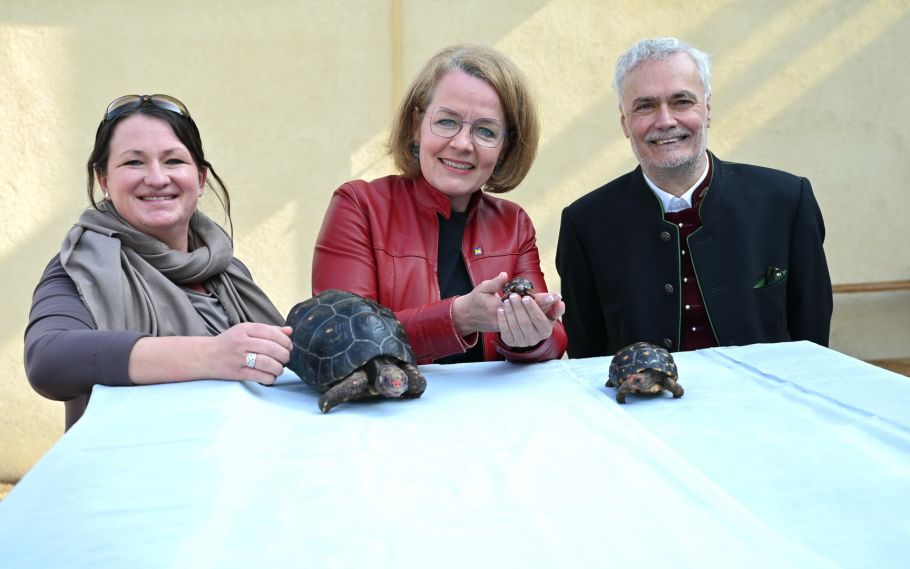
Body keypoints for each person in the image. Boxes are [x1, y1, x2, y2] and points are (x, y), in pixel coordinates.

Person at [24, 94, 293, 429]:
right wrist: (210, 355)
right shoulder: (83, 267)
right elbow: (48, 359)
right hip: (143, 457)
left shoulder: (227, 271)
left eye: (173, 161)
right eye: (134, 163)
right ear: (104, 181)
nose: (156, 178)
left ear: (200, 179)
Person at [556, 37, 833, 358]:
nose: (665, 121)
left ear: (708, 109)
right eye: (645, 106)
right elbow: (587, 356)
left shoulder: (786, 201)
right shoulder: (585, 224)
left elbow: (812, 341)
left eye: (682, 101)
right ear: (624, 122)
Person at [312, 45, 567, 364]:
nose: (462, 144)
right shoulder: (359, 206)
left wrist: (531, 339)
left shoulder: (513, 223)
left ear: (504, 148)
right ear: (416, 126)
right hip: (388, 396)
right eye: (447, 122)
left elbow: (554, 341)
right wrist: (457, 318)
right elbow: (339, 339)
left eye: (486, 131)